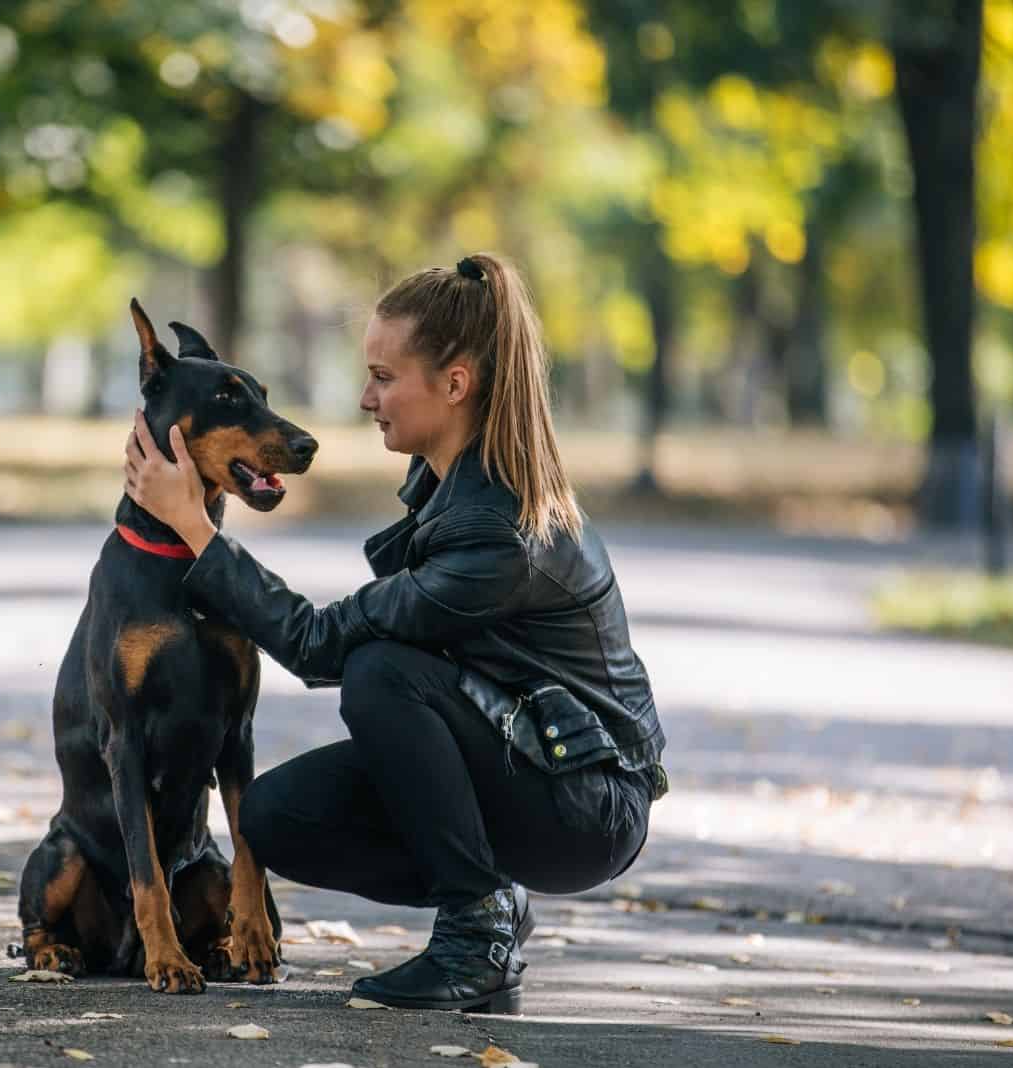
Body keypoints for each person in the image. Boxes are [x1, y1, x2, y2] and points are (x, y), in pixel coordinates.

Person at [123, 253, 667, 1014]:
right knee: (279, 818)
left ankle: (476, 937)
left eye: (383, 376)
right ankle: (492, 903)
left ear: (454, 385)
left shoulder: (496, 529)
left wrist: (193, 527)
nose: (364, 396)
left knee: (380, 669)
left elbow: (324, 645)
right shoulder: (454, 486)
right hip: (530, 757)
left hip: (588, 804)